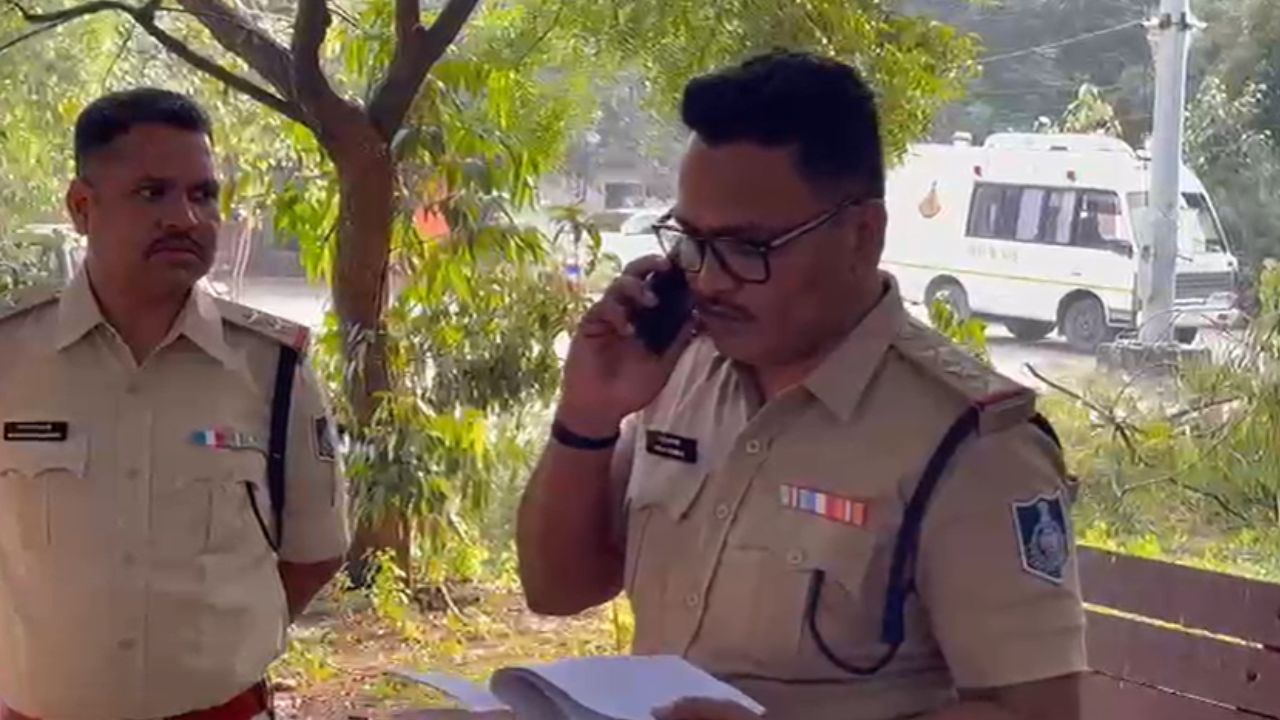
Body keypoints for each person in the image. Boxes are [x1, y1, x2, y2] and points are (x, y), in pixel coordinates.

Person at [517, 52, 1086, 720]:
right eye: (692, 241)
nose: (709, 278)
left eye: (748, 247)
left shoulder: (974, 444)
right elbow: (556, 587)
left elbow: (1038, 713)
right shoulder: (681, 372)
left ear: (861, 235)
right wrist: (586, 416)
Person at [0, 88, 349, 720]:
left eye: (203, 194)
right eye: (151, 193)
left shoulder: (272, 368)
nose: (186, 218)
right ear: (83, 207)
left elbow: (314, 551)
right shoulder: (9, 357)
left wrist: (218, 649)